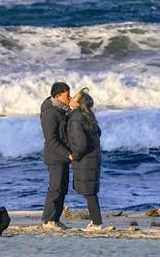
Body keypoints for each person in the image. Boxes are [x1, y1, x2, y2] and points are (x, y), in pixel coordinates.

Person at [67, 87, 103, 231]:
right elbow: (98, 133)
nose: (71, 97)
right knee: (90, 191)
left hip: (85, 160)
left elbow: (81, 144)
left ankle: (96, 223)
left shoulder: (76, 118)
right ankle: (96, 221)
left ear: (78, 104)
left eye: (74, 97)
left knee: (89, 192)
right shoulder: (89, 115)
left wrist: (74, 155)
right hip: (93, 157)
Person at [40, 81, 74, 230]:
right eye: (67, 94)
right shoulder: (50, 113)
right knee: (55, 188)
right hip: (55, 156)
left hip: (63, 156)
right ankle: (48, 220)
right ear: (58, 95)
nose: (70, 97)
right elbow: (51, 139)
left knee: (63, 188)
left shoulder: (61, 110)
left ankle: (56, 219)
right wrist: (68, 153)